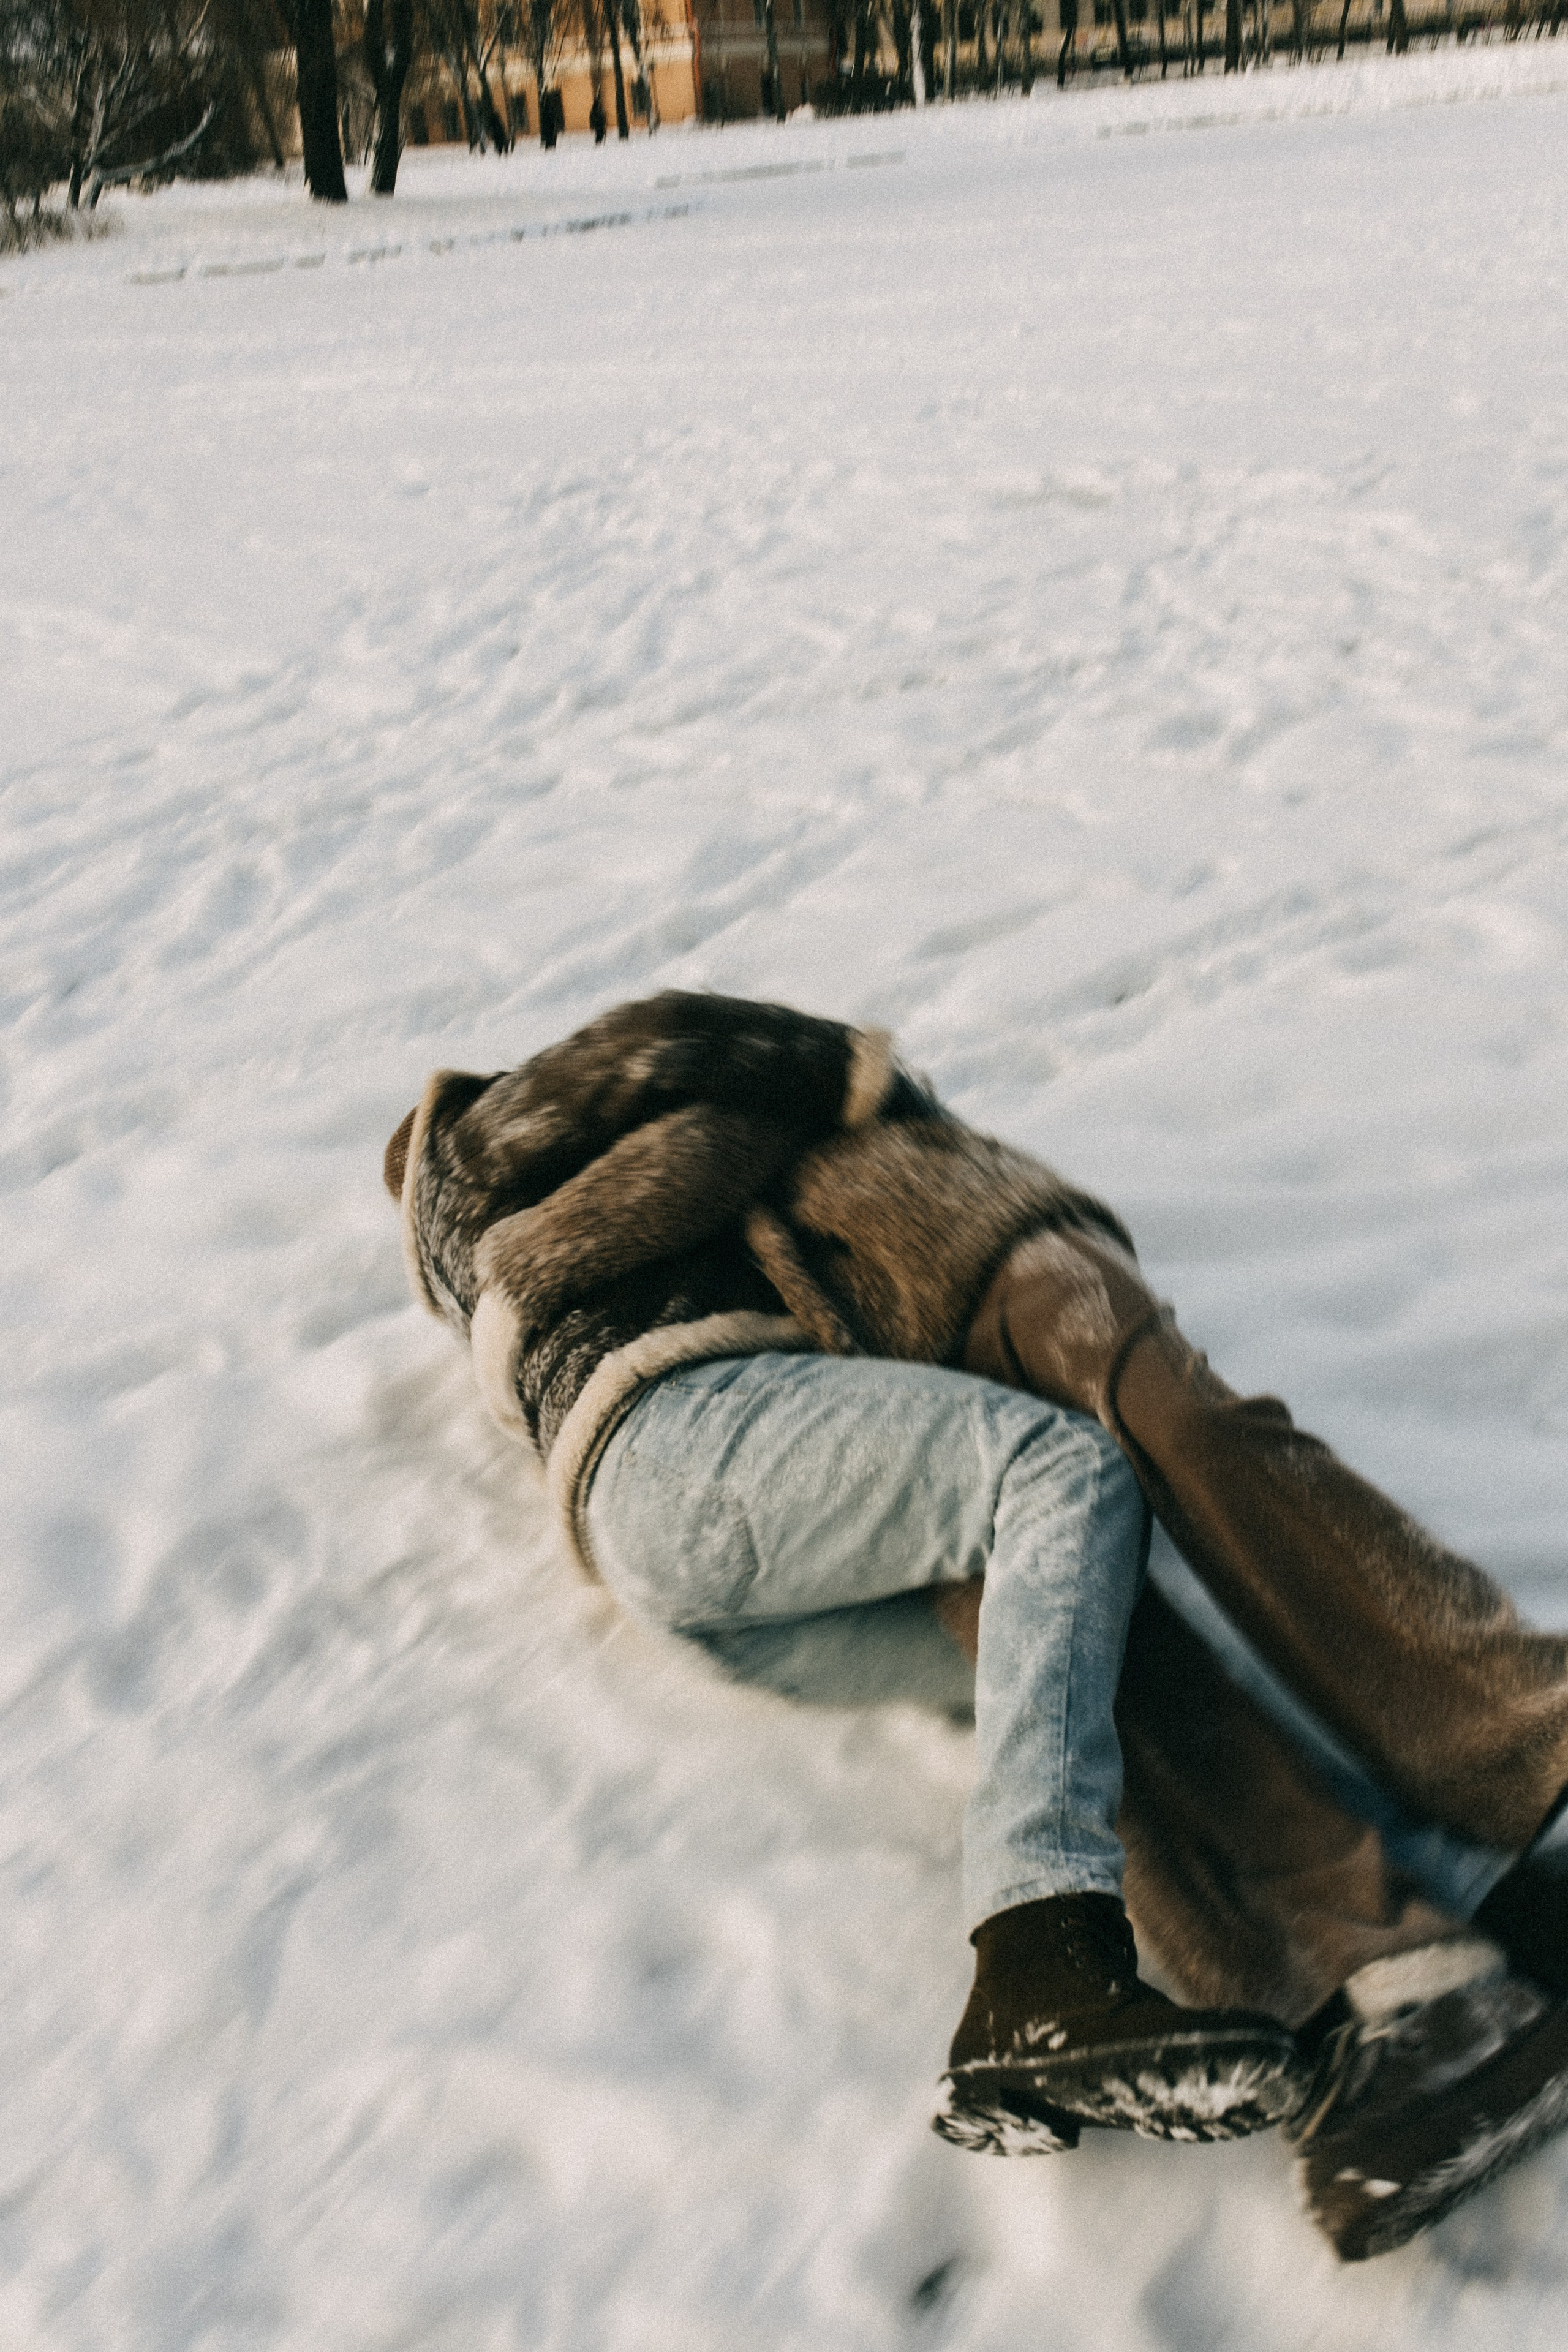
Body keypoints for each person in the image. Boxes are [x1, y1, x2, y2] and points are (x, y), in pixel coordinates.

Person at [384, 991, 1568, 2253]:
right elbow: (680, 1045)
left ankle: (1407, 1981)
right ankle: (1049, 1961)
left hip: (749, 1543)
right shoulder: (485, 1157)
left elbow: (686, 1121)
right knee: (1070, 1472)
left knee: (1080, 1649)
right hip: (698, 1442)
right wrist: (849, 1075)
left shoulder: (614, 1226)